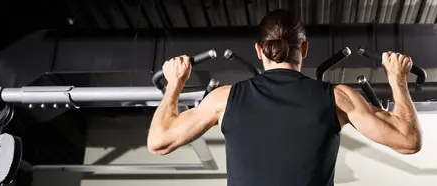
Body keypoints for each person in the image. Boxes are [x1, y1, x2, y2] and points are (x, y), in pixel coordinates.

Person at [147, 9, 422, 186]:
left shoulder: (224, 99)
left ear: (258, 50)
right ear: (304, 47)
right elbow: (408, 141)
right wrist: (397, 79)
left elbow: (159, 143)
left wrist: (175, 83)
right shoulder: (339, 98)